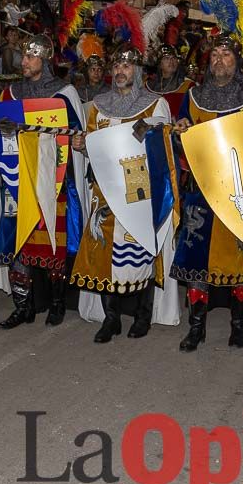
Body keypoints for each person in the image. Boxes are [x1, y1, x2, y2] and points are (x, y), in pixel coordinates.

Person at [171, 37, 243, 352]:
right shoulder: (193, 97)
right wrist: (179, 132)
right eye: (215, 53)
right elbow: (181, 144)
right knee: (196, 265)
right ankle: (197, 327)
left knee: (238, 263)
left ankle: (238, 325)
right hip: (200, 195)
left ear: (237, 62)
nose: (219, 59)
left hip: (237, 196)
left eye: (226, 54)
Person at [69, 44, 172, 342]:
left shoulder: (155, 105)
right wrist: (82, 146)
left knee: (140, 251)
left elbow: (161, 146)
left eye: (126, 67)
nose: (119, 71)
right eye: (116, 66)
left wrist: (147, 134)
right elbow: (92, 145)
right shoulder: (98, 105)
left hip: (137, 191)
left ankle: (142, 315)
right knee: (103, 254)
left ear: (138, 72)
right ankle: (111, 318)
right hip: (102, 191)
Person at [0, 35, 89, 330]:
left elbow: (74, 132)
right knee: (17, 244)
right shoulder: (10, 93)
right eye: (23, 56)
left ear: (45, 60)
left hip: (52, 179)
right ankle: (23, 307)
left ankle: (57, 303)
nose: (24, 62)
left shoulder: (63, 93)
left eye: (31, 57)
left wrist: (75, 138)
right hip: (18, 178)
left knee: (53, 244)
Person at [149, 44, 194, 115]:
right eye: (166, 58)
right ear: (160, 63)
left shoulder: (188, 85)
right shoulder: (148, 87)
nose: (171, 61)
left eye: (173, 58)